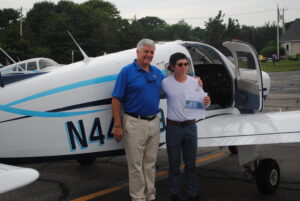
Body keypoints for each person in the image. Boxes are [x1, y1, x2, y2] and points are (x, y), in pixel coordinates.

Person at [111, 38, 165, 201]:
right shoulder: (126, 72)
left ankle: (150, 194)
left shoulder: (156, 72)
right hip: (134, 122)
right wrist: (118, 125)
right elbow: (116, 99)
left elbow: (173, 86)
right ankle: (138, 197)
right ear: (138, 52)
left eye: (151, 52)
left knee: (150, 163)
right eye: (146, 52)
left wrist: (195, 83)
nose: (149, 55)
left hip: (154, 121)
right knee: (136, 165)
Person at [162, 53, 211, 201]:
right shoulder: (165, 82)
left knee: (191, 164)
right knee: (174, 164)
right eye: (180, 64)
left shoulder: (195, 82)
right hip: (173, 128)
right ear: (172, 66)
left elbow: (203, 102)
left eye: (186, 64)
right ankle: (174, 194)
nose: (184, 67)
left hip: (190, 126)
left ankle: (192, 193)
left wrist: (207, 101)